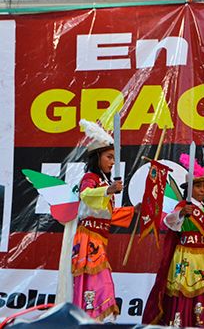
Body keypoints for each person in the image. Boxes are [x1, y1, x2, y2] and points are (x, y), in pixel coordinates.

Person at [143, 154, 204, 328]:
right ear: (189, 189)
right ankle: (179, 323)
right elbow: (170, 222)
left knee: (199, 294)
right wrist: (181, 213)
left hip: (201, 258)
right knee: (183, 292)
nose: (202, 190)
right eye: (198, 186)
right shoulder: (184, 206)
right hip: (185, 256)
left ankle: (198, 323)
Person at [72, 120, 138, 321]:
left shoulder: (102, 181)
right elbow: (85, 195)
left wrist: (134, 211)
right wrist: (109, 190)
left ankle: (92, 319)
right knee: (98, 283)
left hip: (98, 239)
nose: (112, 162)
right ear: (97, 157)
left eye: (113, 158)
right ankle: (89, 319)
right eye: (109, 157)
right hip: (88, 240)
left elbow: (109, 216)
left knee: (98, 283)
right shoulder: (90, 178)